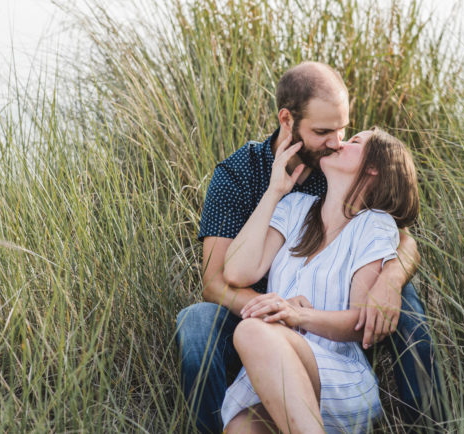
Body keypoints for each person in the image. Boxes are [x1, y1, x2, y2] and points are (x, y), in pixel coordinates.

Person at [175, 62, 441, 433]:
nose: (336, 141)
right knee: (197, 322)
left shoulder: (337, 173)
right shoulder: (242, 176)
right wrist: (272, 310)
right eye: (323, 131)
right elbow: (218, 280)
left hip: (326, 334)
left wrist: (392, 279)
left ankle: (428, 422)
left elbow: (400, 238)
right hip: (256, 311)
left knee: (405, 299)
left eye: (344, 130)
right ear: (287, 120)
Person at [221, 127, 418, 432]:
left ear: (373, 167)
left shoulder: (374, 225)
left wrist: (299, 315)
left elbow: (361, 324)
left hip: (339, 375)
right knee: (240, 429)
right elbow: (236, 272)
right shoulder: (294, 207)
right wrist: (275, 191)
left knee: (251, 332)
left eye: (354, 141)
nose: (340, 142)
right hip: (273, 366)